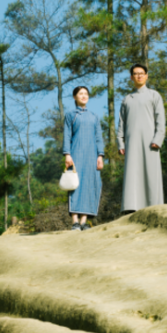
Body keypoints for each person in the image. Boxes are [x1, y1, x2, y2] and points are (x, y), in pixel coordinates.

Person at [118, 63, 165, 212]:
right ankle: (131, 207)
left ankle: (154, 207)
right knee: (133, 174)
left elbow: (161, 120)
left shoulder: (154, 95)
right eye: (136, 74)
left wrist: (158, 140)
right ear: (132, 77)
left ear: (146, 76)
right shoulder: (127, 99)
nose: (139, 76)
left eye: (142, 73)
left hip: (150, 142)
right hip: (132, 143)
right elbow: (121, 124)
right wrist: (121, 143)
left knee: (151, 174)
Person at [63, 86, 105, 230]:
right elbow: (67, 136)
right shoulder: (70, 115)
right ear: (75, 97)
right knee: (75, 185)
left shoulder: (94, 116)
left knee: (90, 185)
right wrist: (67, 154)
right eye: (80, 94)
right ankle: (75, 221)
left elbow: (99, 137)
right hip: (75, 154)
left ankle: (84, 221)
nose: (84, 96)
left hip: (92, 155)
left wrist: (100, 155)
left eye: (86, 94)